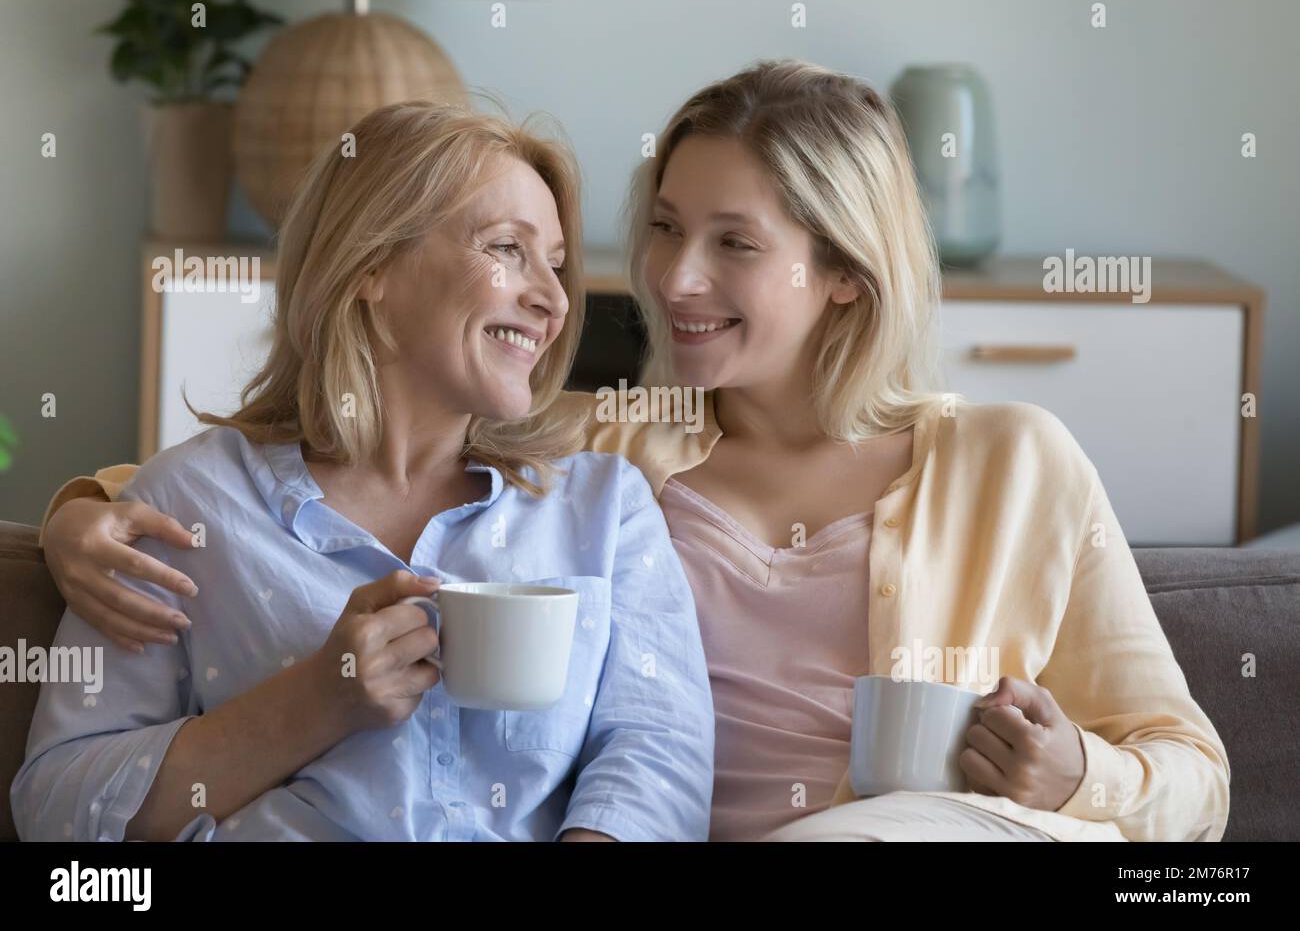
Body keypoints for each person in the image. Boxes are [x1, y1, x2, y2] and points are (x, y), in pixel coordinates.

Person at [34, 60, 1229, 842]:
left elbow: (1193, 773)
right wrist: (70, 514)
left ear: (845, 282)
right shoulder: (591, 457)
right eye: (661, 229)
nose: (670, 279)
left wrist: (1076, 777)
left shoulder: (1014, 461)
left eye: (731, 243)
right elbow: (240, 494)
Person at [12, 101, 714, 842]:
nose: (552, 299)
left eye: (557, 264)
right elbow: (57, 810)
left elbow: (659, 753)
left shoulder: (604, 509)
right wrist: (314, 702)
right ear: (372, 265)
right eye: (507, 248)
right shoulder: (183, 506)